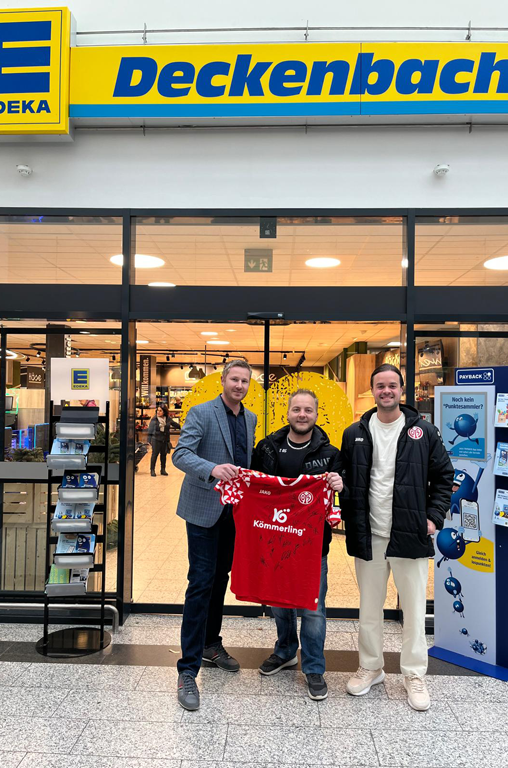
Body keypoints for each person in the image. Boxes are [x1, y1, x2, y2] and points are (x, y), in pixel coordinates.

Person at [332, 363, 453, 711]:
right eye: (380, 386)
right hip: (369, 534)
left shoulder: (423, 431)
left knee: (413, 610)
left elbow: (444, 476)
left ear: (402, 389)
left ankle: (414, 674)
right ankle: (371, 667)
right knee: (369, 608)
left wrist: (433, 518)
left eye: (392, 385)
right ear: (372, 390)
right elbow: (344, 477)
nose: (386, 391)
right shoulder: (354, 432)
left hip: (409, 533)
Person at [172, 359, 257, 711]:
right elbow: (181, 455)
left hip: (234, 514)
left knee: (221, 577)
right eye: (234, 379)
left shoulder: (250, 419)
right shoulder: (202, 412)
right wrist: (212, 469)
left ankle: (211, 644)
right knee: (201, 581)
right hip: (203, 509)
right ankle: (187, 670)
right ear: (223, 380)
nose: (239, 385)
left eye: (244, 381)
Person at [251, 388, 343, 702]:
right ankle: (285, 651)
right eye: (297, 409)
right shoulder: (267, 448)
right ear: (288, 413)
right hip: (275, 541)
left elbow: (343, 492)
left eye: (308, 410)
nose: (302, 415)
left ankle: (314, 668)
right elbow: (255, 487)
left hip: (313, 547)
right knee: (279, 603)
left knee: (313, 609)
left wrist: (339, 483)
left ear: (316, 415)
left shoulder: (330, 453)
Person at [147, 405, 179, 477]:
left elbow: (175, 424)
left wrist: (183, 426)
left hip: (165, 439)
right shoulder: (154, 419)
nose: (158, 412)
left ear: (164, 412)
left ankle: (163, 470)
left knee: (163, 455)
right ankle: (152, 470)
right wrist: (149, 440)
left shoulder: (168, 419)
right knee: (154, 455)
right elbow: (150, 430)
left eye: (160, 411)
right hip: (156, 439)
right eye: (157, 410)